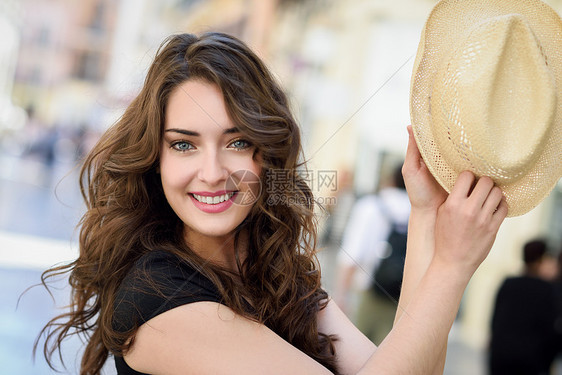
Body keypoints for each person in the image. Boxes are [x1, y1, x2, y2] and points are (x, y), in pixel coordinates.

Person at [35, 32, 508, 375]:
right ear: (154, 161)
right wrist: (450, 267)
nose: (214, 171)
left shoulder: (275, 277)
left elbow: (414, 367)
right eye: (183, 144)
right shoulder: (160, 297)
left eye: (237, 141)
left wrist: (425, 214)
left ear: (268, 157)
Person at [334, 163, 410, 345]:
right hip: (404, 300)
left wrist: (341, 295)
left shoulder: (371, 206)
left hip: (370, 293)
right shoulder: (420, 210)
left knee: (358, 354)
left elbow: (352, 253)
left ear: (390, 180)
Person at [489, 239, 559, 375]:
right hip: (530, 361)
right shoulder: (547, 290)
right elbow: (549, 329)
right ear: (541, 259)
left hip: (501, 355)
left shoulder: (508, 283)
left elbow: (495, 318)